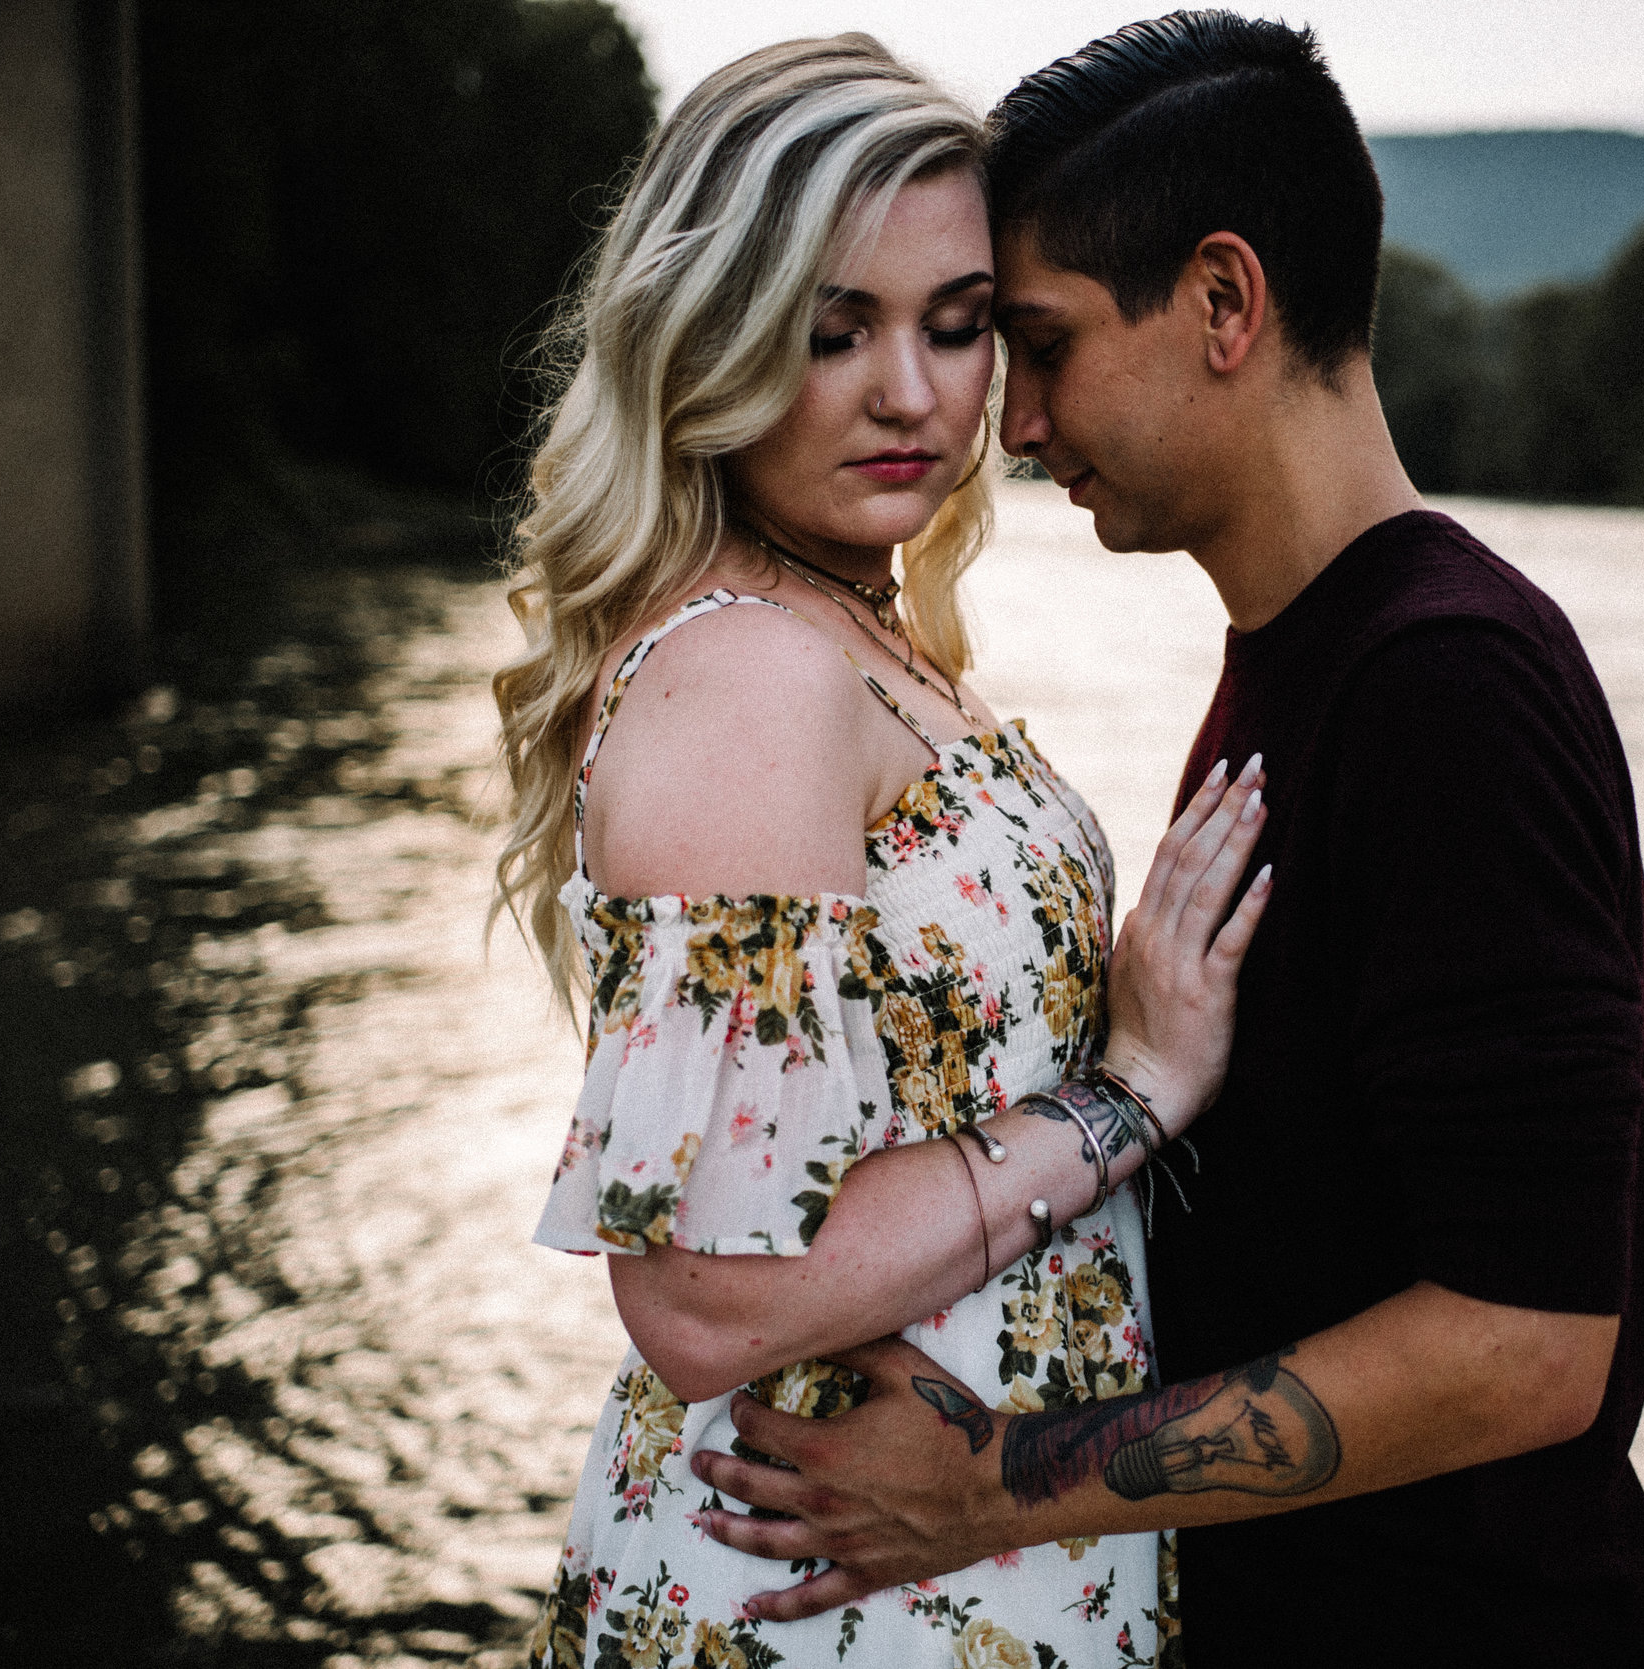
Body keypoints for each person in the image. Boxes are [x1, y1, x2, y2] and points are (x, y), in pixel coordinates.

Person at [685, 14, 1644, 1666]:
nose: (1010, 422)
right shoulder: (1307, 651)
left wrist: (1001, 1483)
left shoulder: (1449, 685)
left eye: (1043, 344)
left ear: (1224, 302)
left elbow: (1532, 1339)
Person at [490, 35, 1273, 1669]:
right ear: (707, 337)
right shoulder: (749, 671)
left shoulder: (848, 626)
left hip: (946, 1564)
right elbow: (713, 1298)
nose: (913, 393)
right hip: (833, 1604)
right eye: (832, 330)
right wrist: (1129, 1092)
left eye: (957, 324)